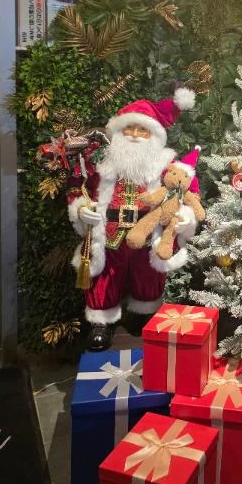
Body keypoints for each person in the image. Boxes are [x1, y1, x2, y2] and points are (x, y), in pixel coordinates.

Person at [66, 88, 200, 351]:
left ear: (154, 136)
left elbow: (187, 192)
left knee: (148, 274)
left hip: (148, 231)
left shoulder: (166, 165)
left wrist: (185, 217)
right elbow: (79, 188)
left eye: (143, 130)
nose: (135, 135)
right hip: (109, 232)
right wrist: (81, 210)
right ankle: (101, 322)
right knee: (104, 275)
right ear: (118, 131)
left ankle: (143, 314)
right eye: (129, 129)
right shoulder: (101, 163)